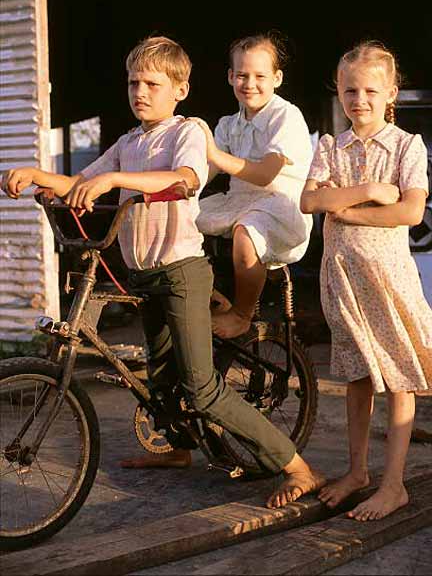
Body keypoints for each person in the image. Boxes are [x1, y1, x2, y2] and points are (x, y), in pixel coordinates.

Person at [1, 35, 325, 509]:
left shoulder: (187, 132)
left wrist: (116, 180)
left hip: (181, 272)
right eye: (134, 82)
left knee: (202, 388)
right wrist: (35, 173)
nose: (141, 91)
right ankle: (177, 450)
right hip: (144, 273)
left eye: (153, 83)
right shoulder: (129, 141)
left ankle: (297, 467)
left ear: (180, 89)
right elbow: (81, 181)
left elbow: (186, 179)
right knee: (160, 378)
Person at [300, 40, 432, 521]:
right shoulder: (331, 147)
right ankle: (357, 471)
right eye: (350, 90)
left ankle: (393, 483)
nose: (360, 100)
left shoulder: (405, 146)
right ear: (338, 91)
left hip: (387, 278)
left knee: (400, 378)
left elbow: (411, 211)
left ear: (391, 92)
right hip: (344, 281)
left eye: (371, 91)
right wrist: (374, 192)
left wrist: (345, 210)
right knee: (356, 376)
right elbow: (309, 203)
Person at [193, 32, 313, 339]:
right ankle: (209, 296)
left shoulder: (285, 116)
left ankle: (242, 314)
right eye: (242, 75)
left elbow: (265, 175)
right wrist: (181, 186)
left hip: (281, 205)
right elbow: (205, 170)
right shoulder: (229, 124)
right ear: (230, 76)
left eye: (260, 76)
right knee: (182, 217)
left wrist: (217, 155)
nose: (250, 84)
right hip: (239, 200)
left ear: (277, 78)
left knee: (247, 232)